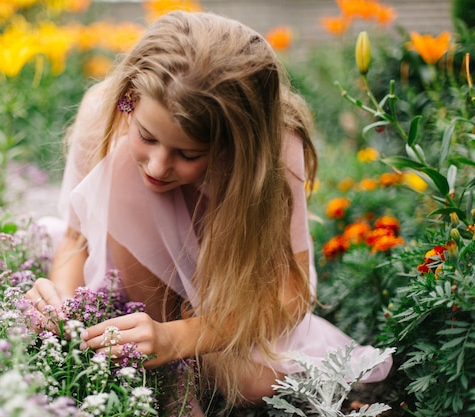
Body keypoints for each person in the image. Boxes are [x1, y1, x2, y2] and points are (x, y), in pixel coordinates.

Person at [26, 10, 393, 413]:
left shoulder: (274, 145)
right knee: (122, 167)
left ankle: (176, 360)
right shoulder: (107, 113)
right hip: (132, 280)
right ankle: (171, 383)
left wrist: (178, 338)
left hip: (224, 293)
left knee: (253, 383)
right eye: (147, 137)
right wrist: (62, 297)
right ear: (129, 99)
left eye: (188, 154)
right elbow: (77, 239)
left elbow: (290, 294)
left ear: (236, 143)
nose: (158, 166)